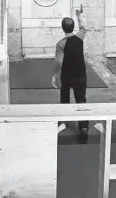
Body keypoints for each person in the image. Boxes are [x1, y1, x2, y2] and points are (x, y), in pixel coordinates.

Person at [52, 9, 89, 142]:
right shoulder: (80, 36)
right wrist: (79, 16)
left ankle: (63, 122)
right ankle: (84, 128)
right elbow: (84, 26)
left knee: (65, 99)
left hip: (67, 76)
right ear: (73, 27)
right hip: (80, 75)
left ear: (63, 28)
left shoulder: (60, 44)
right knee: (81, 100)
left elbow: (59, 62)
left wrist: (55, 76)